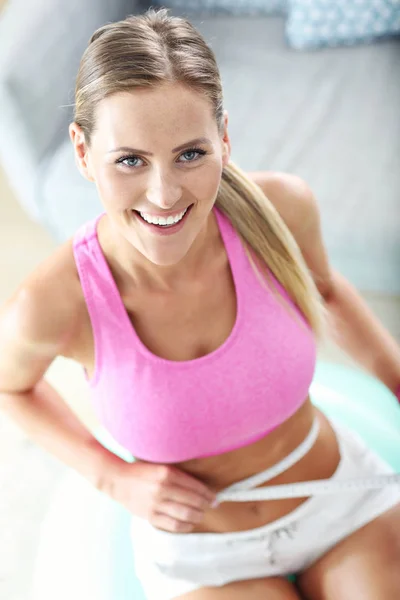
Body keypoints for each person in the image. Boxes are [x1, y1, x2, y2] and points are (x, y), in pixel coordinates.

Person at [0, 7, 400, 600]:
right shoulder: (53, 301)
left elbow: (330, 292)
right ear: (83, 153)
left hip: (340, 500)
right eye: (130, 160)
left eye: (190, 154)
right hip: (204, 552)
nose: (164, 195)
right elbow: (11, 386)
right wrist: (113, 478)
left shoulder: (283, 209)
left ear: (224, 138)